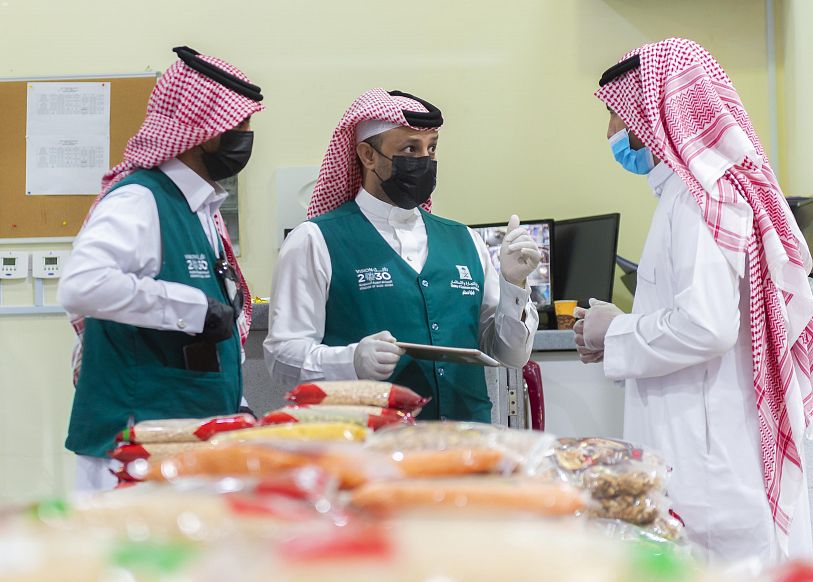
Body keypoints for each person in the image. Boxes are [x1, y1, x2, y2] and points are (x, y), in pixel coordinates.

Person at [574, 38, 813, 566]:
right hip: (710, 454)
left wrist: (614, 330)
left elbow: (706, 327)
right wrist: (621, 329)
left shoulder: (696, 201)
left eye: (615, 115)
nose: (609, 133)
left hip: (709, 471)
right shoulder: (694, 195)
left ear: (648, 114)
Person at [265, 88, 540, 422]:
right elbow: (282, 358)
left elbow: (511, 355)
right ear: (368, 155)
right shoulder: (314, 240)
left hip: (466, 439)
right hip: (366, 442)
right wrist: (350, 360)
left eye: (431, 148)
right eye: (410, 148)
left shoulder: (465, 240)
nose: (424, 160)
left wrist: (514, 285)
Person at [58, 46, 264, 491]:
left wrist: (239, 406)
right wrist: (191, 308)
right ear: (205, 131)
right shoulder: (141, 199)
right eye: (240, 126)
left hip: (188, 446)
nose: (247, 138)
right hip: (134, 455)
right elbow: (82, 285)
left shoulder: (200, 209)